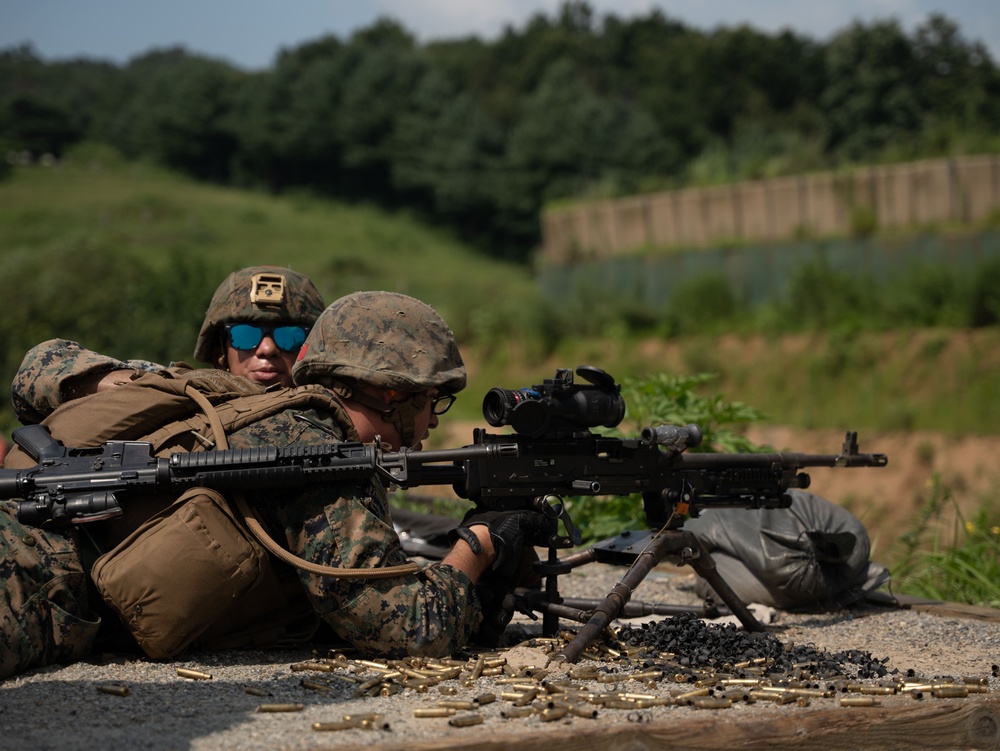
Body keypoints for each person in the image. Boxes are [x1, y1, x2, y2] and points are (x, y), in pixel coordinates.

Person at [0, 291, 544, 679]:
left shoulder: (255, 408)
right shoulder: (322, 457)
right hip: (36, 588)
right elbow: (410, 627)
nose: (431, 424)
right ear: (391, 396)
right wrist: (480, 542)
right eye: (431, 403)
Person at [11, 265, 325, 425]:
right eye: (245, 335)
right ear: (220, 349)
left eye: (290, 337)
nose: (267, 349)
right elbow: (40, 367)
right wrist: (169, 393)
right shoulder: (183, 390)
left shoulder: (334, 412)